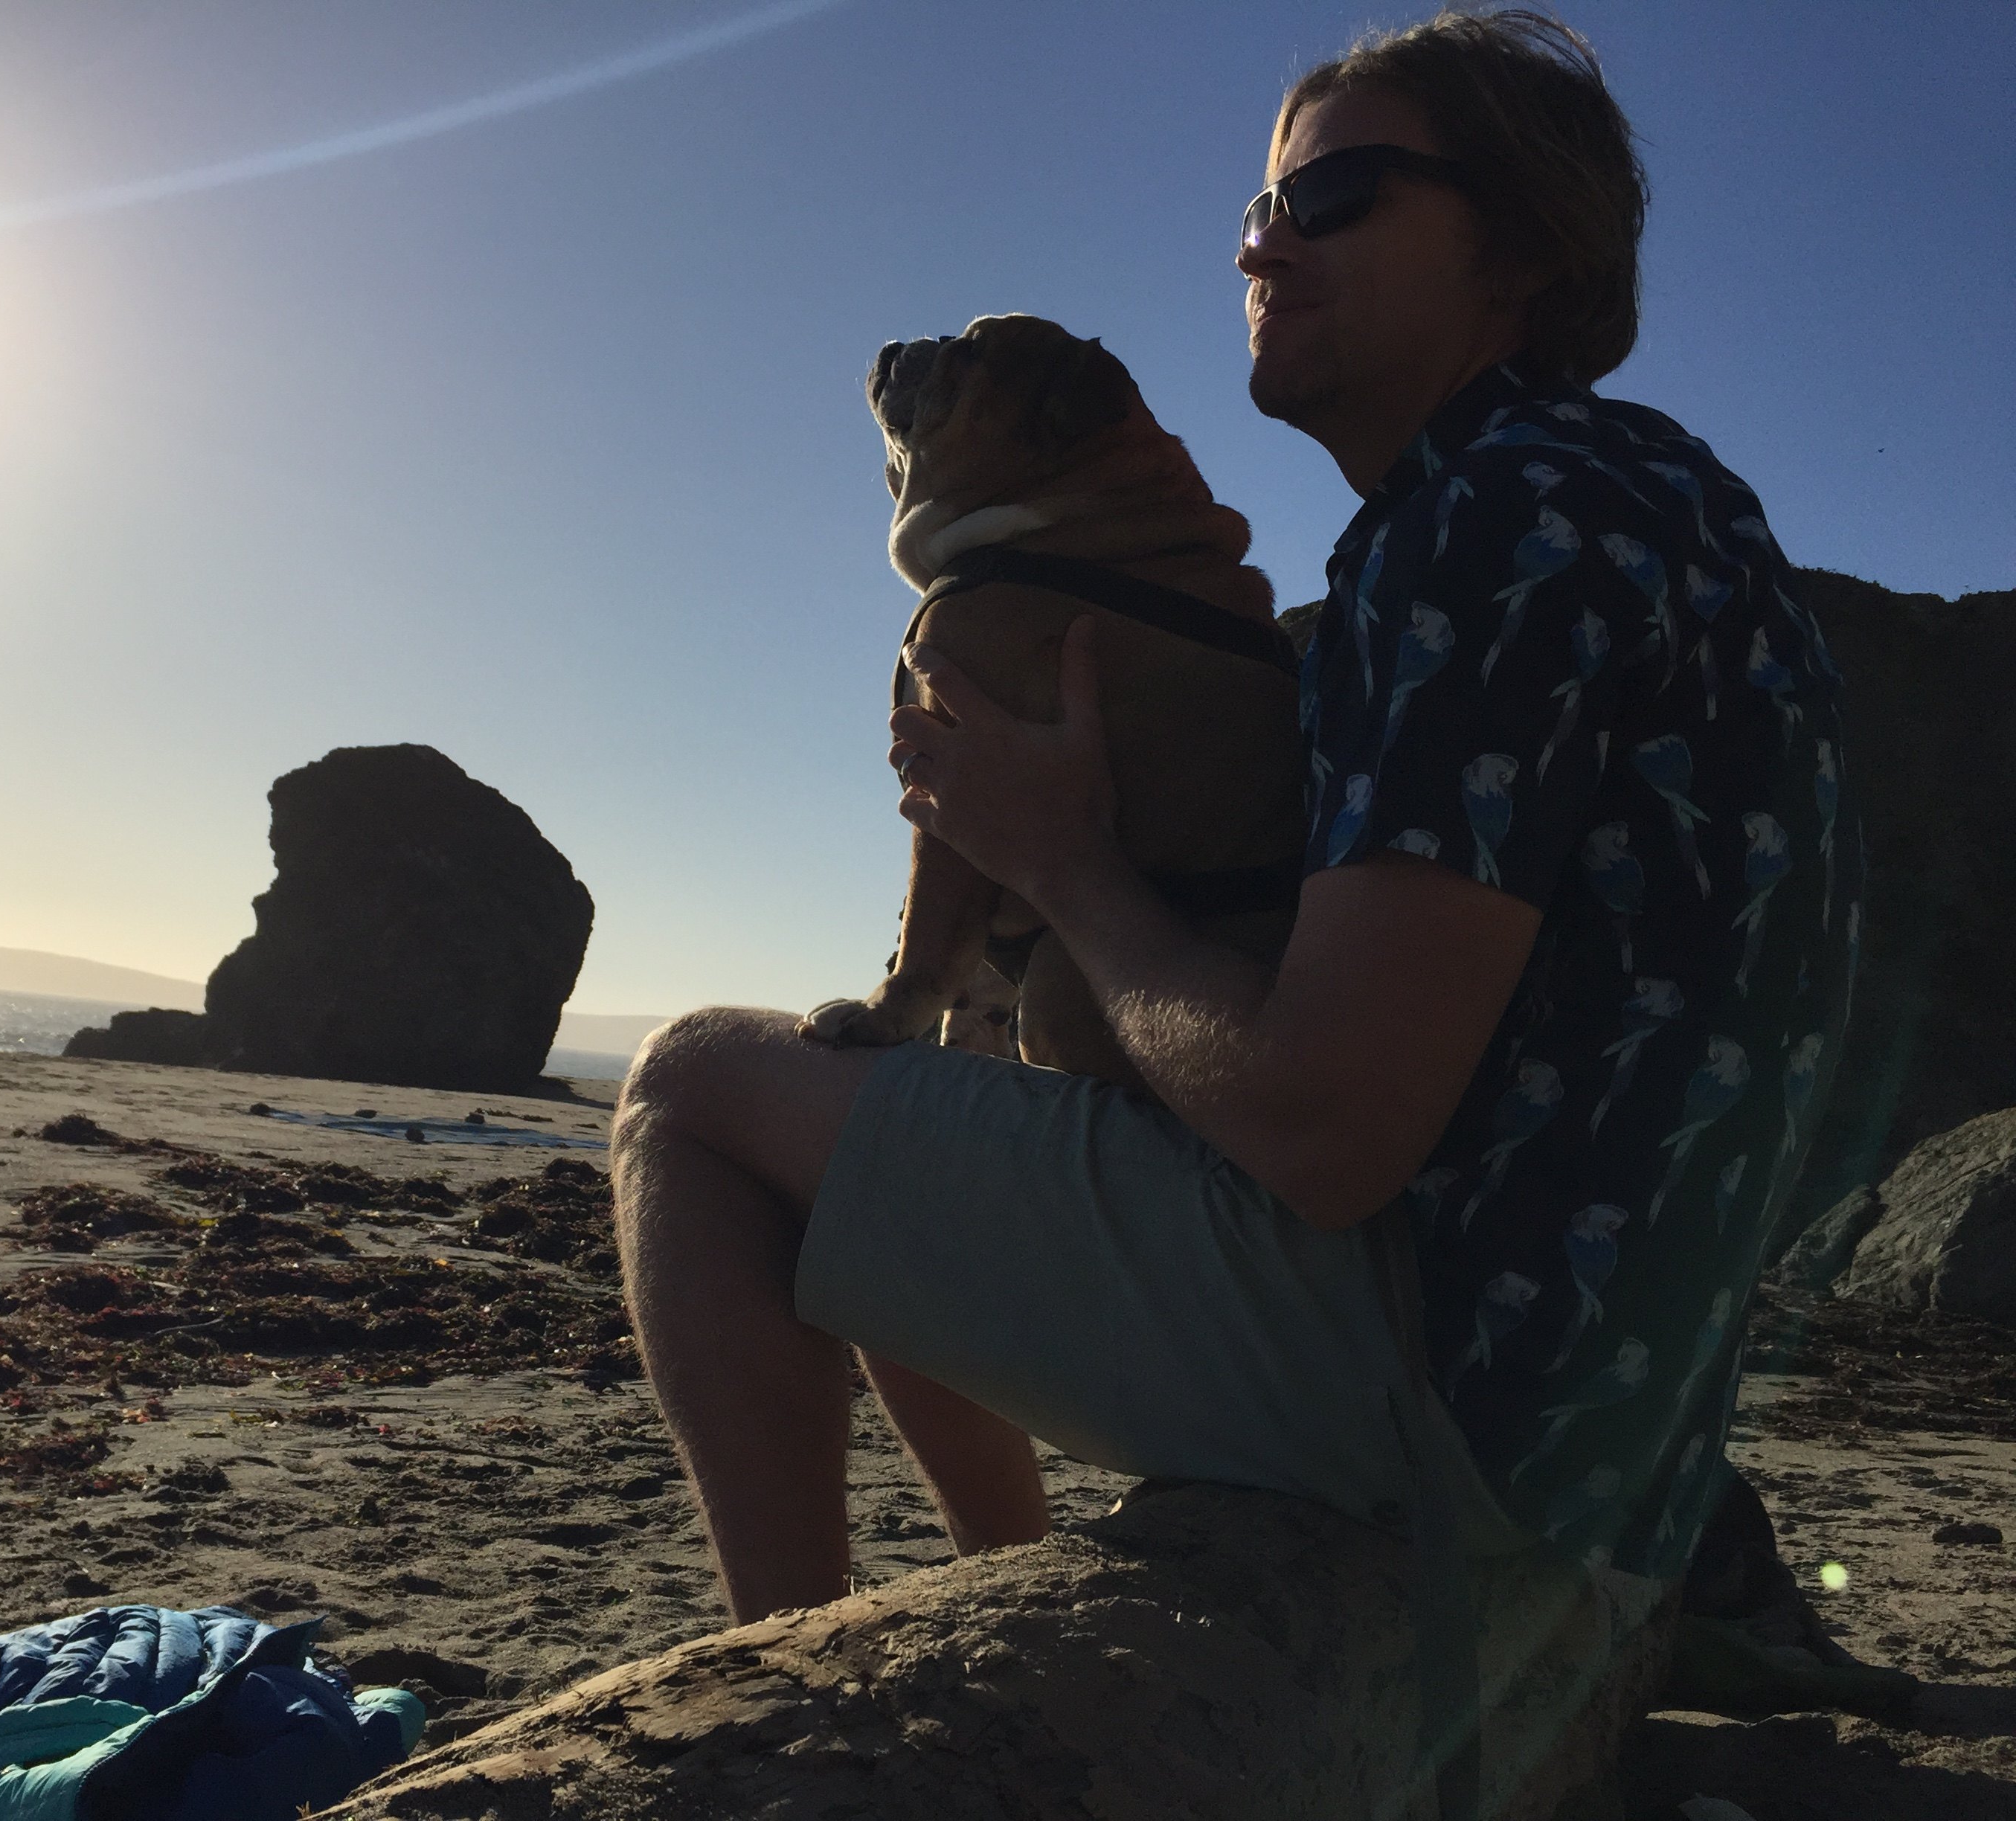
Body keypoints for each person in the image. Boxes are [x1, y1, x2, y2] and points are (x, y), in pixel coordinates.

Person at [611, 2, 1854, 1692]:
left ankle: (777, 1698)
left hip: (1463, 1388)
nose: (1268, 245)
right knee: (906, 1154)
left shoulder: (1492, 528)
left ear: (1524, 245)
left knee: (693, 1090)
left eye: (1335, 199)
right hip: (1616, 1388)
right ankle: (996, 1597)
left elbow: (1328, 1129)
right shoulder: (1645, 494)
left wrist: (1056, 860)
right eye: (1258, 212)